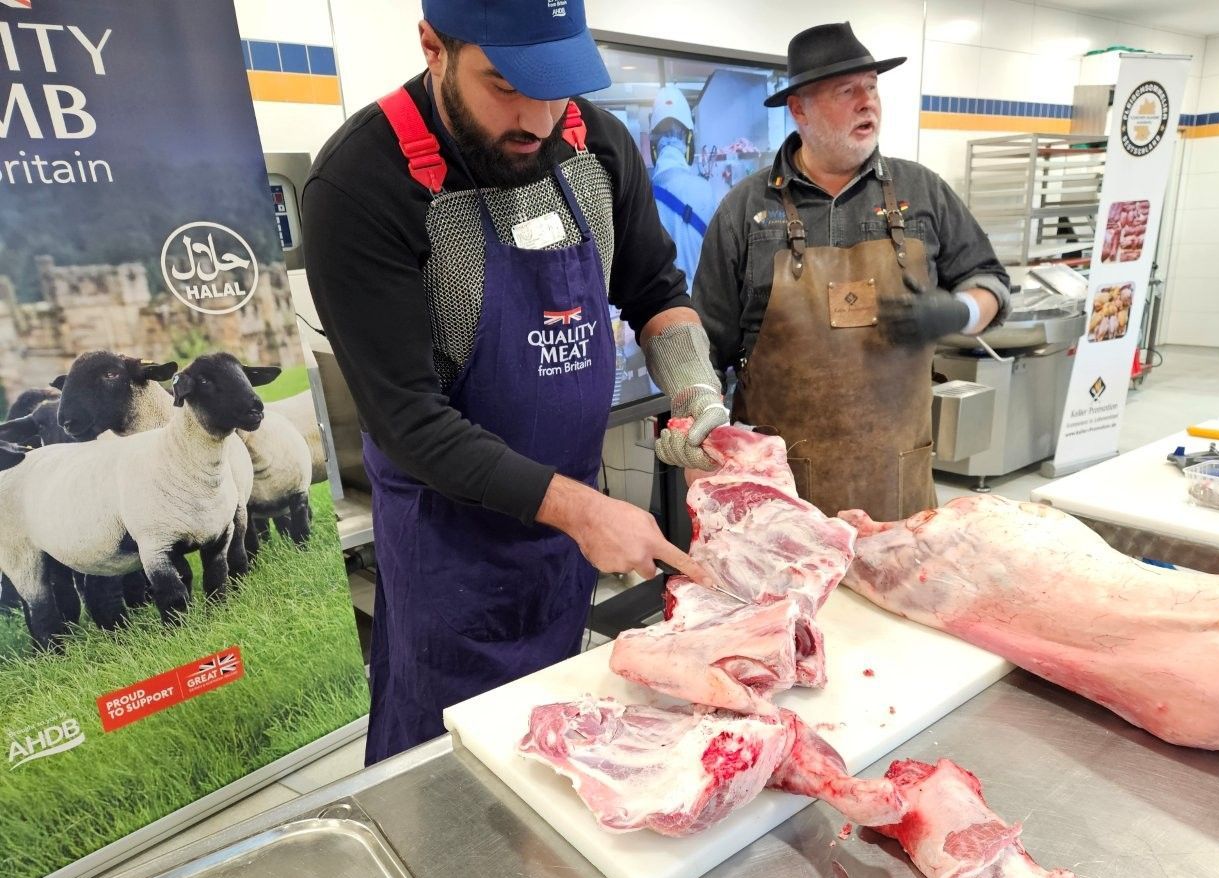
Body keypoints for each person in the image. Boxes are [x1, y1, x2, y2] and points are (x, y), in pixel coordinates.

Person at [302, 0, 727, 764]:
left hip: (568, 528)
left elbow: (657, 292)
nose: (535, 118)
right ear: (434, 47)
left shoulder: (594, 144)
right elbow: (409, 419)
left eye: (554, 87)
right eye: (504, 86)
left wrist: (698, 393)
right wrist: (583, 510)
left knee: (552, 734)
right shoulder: (361, 182)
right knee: (452, 751)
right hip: (450, 541)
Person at [694, 22, 1011, 520]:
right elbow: (704, 349)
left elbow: (991, 281)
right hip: (781, 496)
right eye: (848, 91)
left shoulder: (923, 192)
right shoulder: (744, 211)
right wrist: (703, 443)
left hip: (896, 487)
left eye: (872, 87)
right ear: (799, 108)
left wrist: (959, 310)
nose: (869, 103)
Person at [649, 84, 717, 293]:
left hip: (658, 317)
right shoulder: (706, 191)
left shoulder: (639, 196)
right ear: (689, 141)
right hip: (700, 311)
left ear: (654, 146)